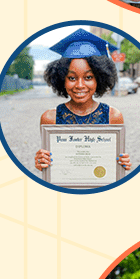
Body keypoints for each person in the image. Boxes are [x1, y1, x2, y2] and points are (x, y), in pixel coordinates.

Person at [34, 28, 130, 174]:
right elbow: (51, 166)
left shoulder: (114, 116)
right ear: (61, 79)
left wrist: (122, 163)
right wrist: (42, 162)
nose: (79, 85)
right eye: (72, 78)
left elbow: (114, 162)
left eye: (88, 77)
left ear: (99, 78)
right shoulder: (49, 119)